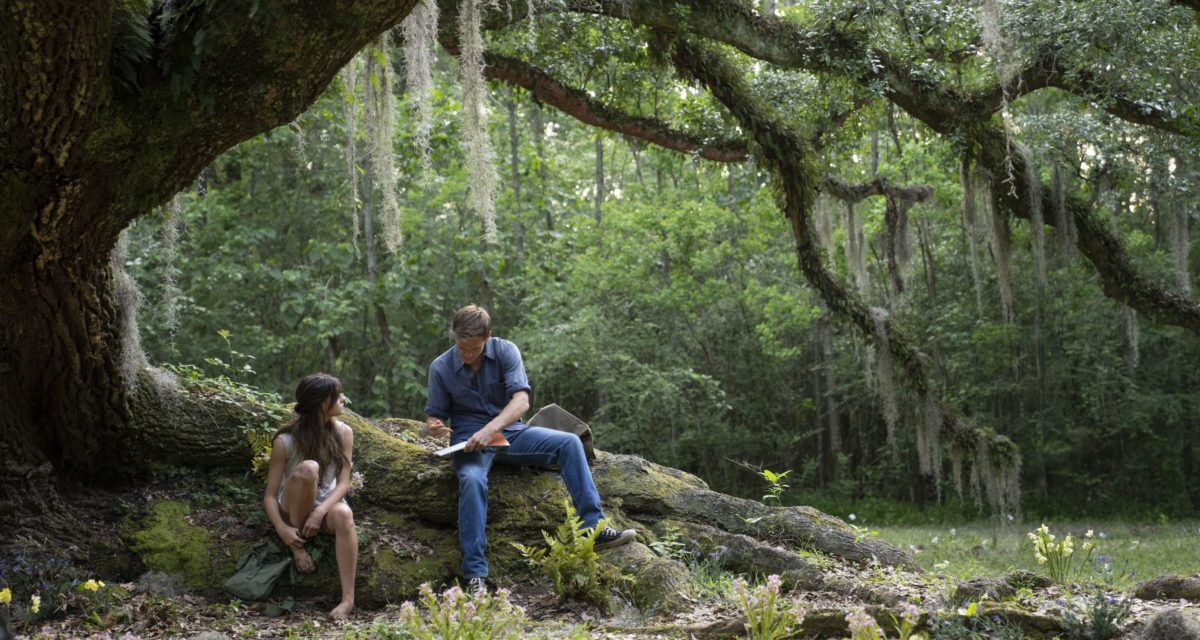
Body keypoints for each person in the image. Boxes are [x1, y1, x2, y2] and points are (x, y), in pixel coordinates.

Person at [426, 305, 636, 591]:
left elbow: (521, 401)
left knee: (570, 443)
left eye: (473, 349)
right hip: (470, 442)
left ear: (488, 336)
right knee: (472, 480)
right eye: (461, 347)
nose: (466, 354)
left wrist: (492, 428)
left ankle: (593, 527)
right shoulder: (440, 366)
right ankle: (475, 575)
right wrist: (435, 425)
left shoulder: (506, 351)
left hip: (511, 433)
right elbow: (434, 416)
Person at [262, 373, 357, 620]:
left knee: (345, 515)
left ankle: (348, 600)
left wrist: (320, 511)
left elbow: (343, 483)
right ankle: (297, 547)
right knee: (309, 468)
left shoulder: (345, 433)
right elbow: (270, 496)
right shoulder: (285, 441)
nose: (343, 399)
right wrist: (282, 529)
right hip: (292, 503)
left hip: (326, 501)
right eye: (338, 397)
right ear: (324, 403)